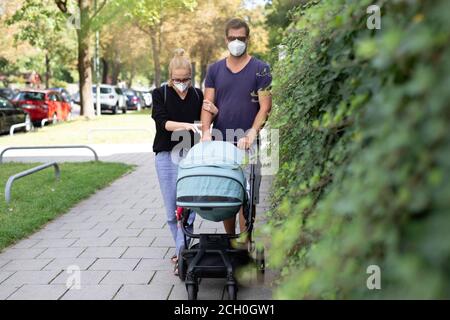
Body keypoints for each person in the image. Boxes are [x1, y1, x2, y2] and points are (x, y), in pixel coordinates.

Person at [201, 18, 273, 236]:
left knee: (247, 198)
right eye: (232, 38)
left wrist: (252, 134)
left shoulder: (261, 69)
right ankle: (231, 241)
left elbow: (265, 107)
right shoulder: (214, 70)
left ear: (248, 39)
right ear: (226, 39)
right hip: (221, 144)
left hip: (247, 144)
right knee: (225, 196)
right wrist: (205, 132)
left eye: (241, 38)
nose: (236, 42)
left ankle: (245, 244)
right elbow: (207, 104)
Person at [152, 48, 203, 275]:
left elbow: (207, 121)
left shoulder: (198, 95)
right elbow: (163, 123)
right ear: (170, 76)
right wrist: (186, 126)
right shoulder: (160, 94)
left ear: (190, 76)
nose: (181, 83)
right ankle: (183, 251)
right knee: (172, 209)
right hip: (166, 156)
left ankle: (182, 253)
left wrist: (214, 111)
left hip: (191, 156)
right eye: (177, 79)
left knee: (189, 208)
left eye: (185, 79)